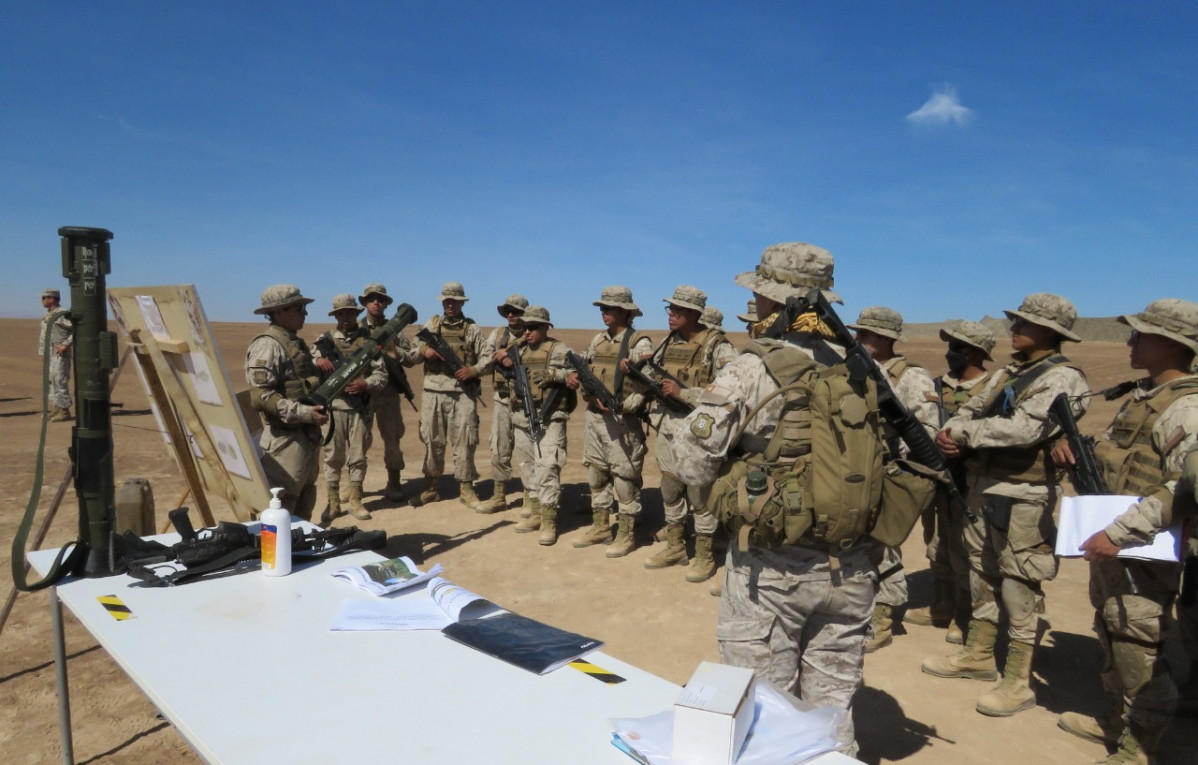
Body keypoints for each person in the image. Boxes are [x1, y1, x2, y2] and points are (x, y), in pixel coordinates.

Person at [670, 241, 879, 754]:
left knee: (767, 712)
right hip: (852, 570)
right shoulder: (866, 369)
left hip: (772, 571)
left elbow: (692, 461)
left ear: (773, 299)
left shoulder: (752, 367)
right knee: (832, 714)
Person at [923, 293, 1090, 718]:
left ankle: (1018, 679)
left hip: (1023, 496)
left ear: (1051, 333)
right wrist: (955, 428)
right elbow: (973, 408)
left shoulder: (1063, 377)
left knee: (1019, 582)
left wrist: (962, 435)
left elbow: (1025, 428)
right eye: (1015, 320)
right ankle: (978, 655)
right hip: (984, 487)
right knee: (983, 571)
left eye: (1024, 323)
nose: (1013, 328)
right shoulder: (1009, 374)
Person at [1051, 299, 1198, 763]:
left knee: (1138, 644)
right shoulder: (1146, 398)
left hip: (1143, 546)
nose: (1130, 341)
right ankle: (1118, 722)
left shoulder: (1186, 407)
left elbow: (1182, 488)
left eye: (1140, 334)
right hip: (1120, 541)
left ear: (1172, 344)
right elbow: (1127, 459)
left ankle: (1139, 747)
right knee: (1113, 627)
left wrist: (1119, 534)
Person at [847, 307, 939, 653]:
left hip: (888, 473)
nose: (858, 339)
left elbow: (925, 431)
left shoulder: (911, 377)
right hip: (854, 472)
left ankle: (882, 619)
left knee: (884, 547)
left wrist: (897, 468)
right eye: (858, 333)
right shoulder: (852, 368)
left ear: (886, 338)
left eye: (866, 335)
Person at [904, 320, 997, 646]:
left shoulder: (991, 390)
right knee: (935, 543)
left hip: (968, 482)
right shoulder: (935, 385)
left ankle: (963, 614)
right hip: (936, 478)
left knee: (963, 551)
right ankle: (940, 606)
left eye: (958, 348)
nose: (950, 354)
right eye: (950, 346)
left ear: (977, 352)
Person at [643, 285, 736, 583]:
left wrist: (685, 393)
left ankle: (705, 556)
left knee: (700, 495)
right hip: (669, 426)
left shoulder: (718, 347)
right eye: (670, 310)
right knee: (670, 489)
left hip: (699, 431)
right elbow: (655, 374)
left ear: (695, 314)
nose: (671, 315)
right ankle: (675, 547)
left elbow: (729, 392)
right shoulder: (668, 343)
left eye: (678, 311)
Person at [567, 286, 653, 557]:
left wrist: (626, 406)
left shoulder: (639, 343)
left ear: (625, 312)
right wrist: (573, 376)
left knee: (625, 476)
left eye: (609, 308)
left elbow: (648, 385)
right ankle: (601, 525)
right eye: (602, 308)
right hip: (595, 417)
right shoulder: (598, 340)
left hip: (621, 420)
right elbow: (581, 363)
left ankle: (626, 533)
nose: (603, 312)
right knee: (596, 472)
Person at [245, 285, 329, 521]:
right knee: (280, 508)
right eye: (299, 307)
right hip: (284, 443)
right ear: (279, 311)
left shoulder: (295, 343)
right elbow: (261, 397)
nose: (305, 313)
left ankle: (296, 555)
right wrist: (305, 413)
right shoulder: (268, 345)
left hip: (305, 439)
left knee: (305, 501)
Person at [312, 294, 389, 524]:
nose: (345, 317)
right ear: (335, 315)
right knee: (333, 456)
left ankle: (356, 499)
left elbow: (381, 374)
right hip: (333, 408)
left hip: (359, 408)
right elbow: (307, 365)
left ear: (357, 314)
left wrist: (366, 384)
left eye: (350, 313)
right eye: (341, 313)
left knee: (357, 456)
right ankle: (333, 501)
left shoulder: (368, 341)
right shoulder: (323, 341)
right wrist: (317, 361)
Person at [503, 306, 574, 545]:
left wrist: (555, 375)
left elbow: (577, 374)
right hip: (521, 416)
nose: (528, 331)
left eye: (534, 327)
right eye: (525, 327)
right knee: (526, 466)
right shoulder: (517, 350)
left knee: (547, 467)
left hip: (549, 418)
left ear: (546, 327)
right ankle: (534, 512)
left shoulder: (559, 349)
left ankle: (548, 519)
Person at [415, 282, 486, 509]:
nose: (450, 305)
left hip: (462, 392)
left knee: (465, 439)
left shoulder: (471, 329)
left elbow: (487, 356)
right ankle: (431, 487)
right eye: (447, 301)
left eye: (454, 301)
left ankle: (466, 488)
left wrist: (472, 370)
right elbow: (413, 349)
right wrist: (424, 350)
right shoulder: (432, 325)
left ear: (461, 302)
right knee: (432, 439)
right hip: (433, 390)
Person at [360, 283, 420, 504]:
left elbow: (412, 357)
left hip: (388, 392)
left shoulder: (395, 330)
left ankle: (394, 482)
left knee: (392, 438)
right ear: (364, 302)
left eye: (381, 299)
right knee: (359, 440)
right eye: (372, 298)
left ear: (386, 304)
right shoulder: (356, 330)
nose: (377, 302)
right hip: (362, 393)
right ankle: (356, 486)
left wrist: (396, 352)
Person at [476, 294, 529, 514]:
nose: (511, 315)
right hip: (502, 398)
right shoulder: (497, 335)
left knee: (527, 450)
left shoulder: (532, 334)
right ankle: (499, 496)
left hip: (526, 402)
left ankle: (531, 497)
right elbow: (483, 361)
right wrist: (497, 357)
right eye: (508, 311)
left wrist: (514, 357)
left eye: (515, 311)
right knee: (499, 447)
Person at [39, 288, 73, 422]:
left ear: (52, 299)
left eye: (44, 298)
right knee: (50, 380)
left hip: (60, 353)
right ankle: (57, 408)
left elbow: (76, 329)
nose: (42, 301)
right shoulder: (48, 314)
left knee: (59, 379)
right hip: (49, 353)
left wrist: (65, 344)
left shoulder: (63, 314)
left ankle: (64, 410)